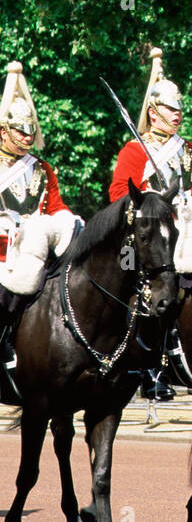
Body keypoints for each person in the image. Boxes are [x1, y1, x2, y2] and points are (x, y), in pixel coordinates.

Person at [109, 47, 192, 399]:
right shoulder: (134, 151)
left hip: (190, 227)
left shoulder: (186, 149)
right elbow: (119, 194)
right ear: (153, 111)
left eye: (180, 109)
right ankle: (151, 365)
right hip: (153, 233)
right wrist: (153, 201)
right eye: (170, 109)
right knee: (156, 282)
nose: (177, 115)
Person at [0, 62, 76, 354]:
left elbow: (55, 205)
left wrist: (66, 221)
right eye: (20, 131)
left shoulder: (41, 168)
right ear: (4, 131)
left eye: (31, 131)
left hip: (37, 246)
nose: (28, 137)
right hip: (4, 249)